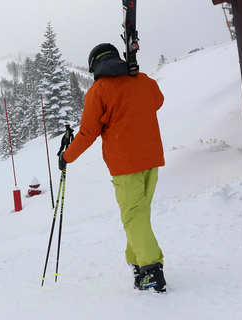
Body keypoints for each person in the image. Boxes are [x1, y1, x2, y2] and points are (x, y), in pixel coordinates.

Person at [59, 43, 166, 293]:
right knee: (139, 214)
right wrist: (134, 82)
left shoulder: (99, 90)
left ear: (95, 66)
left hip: (125, 164)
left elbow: (87, 133)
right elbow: (157, 101)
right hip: (151, 158)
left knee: (134, 216)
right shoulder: (143, 80)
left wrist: (67, 156)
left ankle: (151, 270)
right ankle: (137, 260)